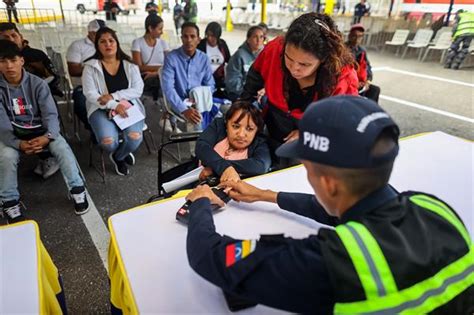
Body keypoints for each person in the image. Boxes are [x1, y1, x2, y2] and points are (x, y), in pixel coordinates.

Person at [184, 95, 474, 314]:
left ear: (329, 184)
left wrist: (199, 205)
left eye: (307, 168)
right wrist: (265, 195)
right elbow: (345, 209)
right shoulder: (434, 208)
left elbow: (208, 257)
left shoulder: (338, 261)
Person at [241, 13, 358, 165]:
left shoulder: (342, 77)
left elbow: (345, 124)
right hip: (275, 121)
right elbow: (254, 77)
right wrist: (244, 108)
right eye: (289, 58)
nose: (294, 69)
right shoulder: (275, 49)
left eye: (305, 64)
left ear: (323, 60)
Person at [0, 40, 90, 223]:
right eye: (2, 61)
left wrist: (47, 137)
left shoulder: (38, 84)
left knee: (62, 147)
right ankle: (10, 202)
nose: (9, 66)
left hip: (41, 132)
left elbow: (51, 115)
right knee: (7, 156)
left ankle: (77, 189)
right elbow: (1, 124)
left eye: (13, 60)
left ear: (21, 61)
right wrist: (19, 144)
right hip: (14, 135)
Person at [0, 22, 63, 178]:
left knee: (49, 110)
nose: (11, 39)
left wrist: (39, 86)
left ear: (21, 37)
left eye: (13, 35)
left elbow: (54, 76)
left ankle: (47, 152)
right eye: (5, 37)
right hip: (9, 104)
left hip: (37, 98)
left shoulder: (36, 55)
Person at [82, 27, 145, 176]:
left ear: (117, 43)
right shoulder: (90, 67)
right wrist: (113, 105)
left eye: (111, 40)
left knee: (134, 138)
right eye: (102, 42)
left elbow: (138, 90)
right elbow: (90, 94)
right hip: (100, 108)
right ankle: (118, 152)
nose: (107, 44)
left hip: (128, 106)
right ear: (97, 45)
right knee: (108, 142)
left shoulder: (130, 65)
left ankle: (119, 156)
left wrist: (113, 96)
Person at [196, 101, 270, 183]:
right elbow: (201, 146)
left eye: (249, 129)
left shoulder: (259, 142)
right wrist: (224, 167)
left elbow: (261, 166)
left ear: (256, 131)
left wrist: (215, 168)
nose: (241, 135)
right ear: (226, 124)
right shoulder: (218, 127)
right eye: (236, 126)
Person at [162, 22, 215, 128]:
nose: (189, 40)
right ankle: (198, 144)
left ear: (198, 40)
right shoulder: (171, 58)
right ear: (181, 38)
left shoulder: (203, 58)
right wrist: (184, 109)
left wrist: (199, 98)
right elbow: (168, 89)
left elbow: (210, 85)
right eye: (185, 36)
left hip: (200, 100)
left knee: (223, 117)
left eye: (192, 36)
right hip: (179, 101)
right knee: (197, 122)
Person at [67, 19, 106, 131]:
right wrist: (95, 67)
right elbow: (73, 70)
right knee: (81, 105)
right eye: (100, 33)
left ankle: (111, 128)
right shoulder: (77, 46)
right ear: (91, 33)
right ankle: (95, 129)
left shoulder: (107, 44)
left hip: (107, 85)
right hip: (84, 86)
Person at [132, 14, 169, 100]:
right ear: (150, 28)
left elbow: (169, 65)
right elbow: (139, 67)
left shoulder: (163, 43)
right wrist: (161, 68)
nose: (162, 32)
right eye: (160, 29)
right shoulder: (137, 43)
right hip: (146, 77)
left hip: (161, 74)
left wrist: (155, 73)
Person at [225, 26, 264, 101]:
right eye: (255, 37)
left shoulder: (265, 55)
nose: (258, 40)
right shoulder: (239, 55)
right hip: (240, 93)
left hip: (259, 94)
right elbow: (233, 81)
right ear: (248, 39)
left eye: (261, 37)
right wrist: (247, 93)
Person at [346, 24, 380, 102]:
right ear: (350, 35)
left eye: (360, 36)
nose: (357, 39)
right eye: (355, 35)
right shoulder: (343, 49)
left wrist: (368, 80)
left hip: (360, 80)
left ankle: (369, 111)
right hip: (349, 81)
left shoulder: (362, 50)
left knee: (375, 90)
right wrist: (354, 82)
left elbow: (367, 66)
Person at [197, 22, 230, 98]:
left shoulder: (222, 44)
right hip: (204, 81)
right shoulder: (201, 45)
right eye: (207, 35)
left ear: (218, 36)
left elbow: (229, 60)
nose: (209, 38)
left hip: (220, 82)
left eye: (212, 36)